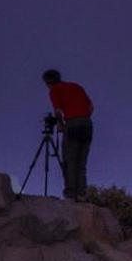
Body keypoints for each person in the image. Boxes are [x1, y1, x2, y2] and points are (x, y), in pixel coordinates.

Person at [43, 69, 94, 200]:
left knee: (70, 160)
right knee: (81, 162)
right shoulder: (76, 86)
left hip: (72, 124)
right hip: (87, 124)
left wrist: (61, 124)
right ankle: (82, 193)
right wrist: (82, 117)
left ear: (48, 82)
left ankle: (71, 194)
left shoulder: (55, 90)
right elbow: (91, 107)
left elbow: (58, 112)